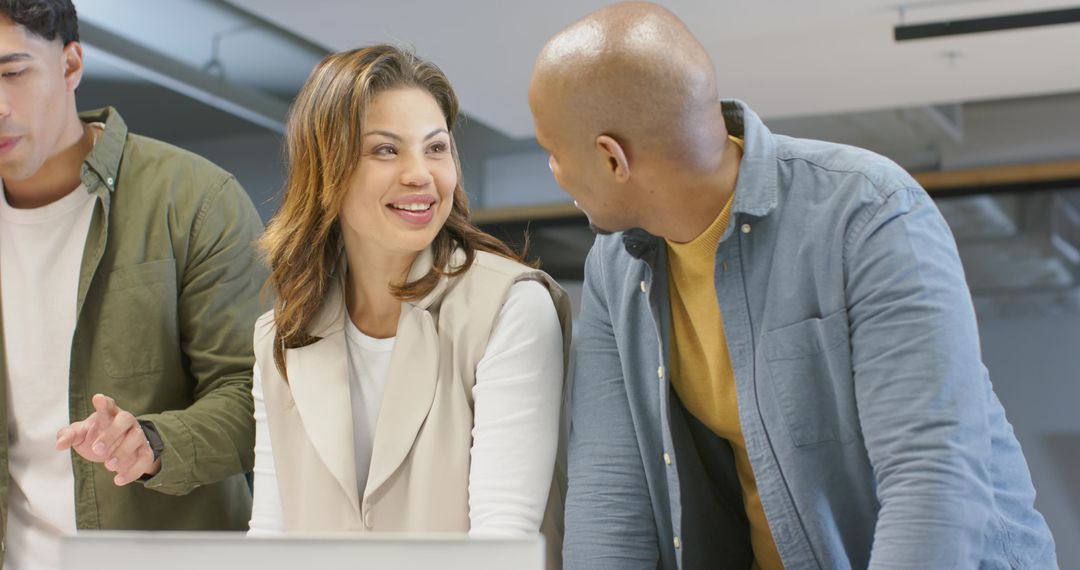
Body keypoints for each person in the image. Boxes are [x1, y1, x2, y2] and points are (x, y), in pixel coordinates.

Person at [528, 2, 1058, 569]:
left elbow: (933, 477)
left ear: (613, 159)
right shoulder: (615, 269)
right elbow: (610, 493)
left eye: (553, 153)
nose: (554, 172)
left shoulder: (867, 211)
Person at [249, 44, 570, 569]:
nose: (420, 174)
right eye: (385, 150)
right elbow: (270, 536)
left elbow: (503, 544)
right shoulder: (282, 335)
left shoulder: (509, 306)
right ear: (326, 167)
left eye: (436, 147)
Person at [0, 1, 266, 567]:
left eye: (12, 72)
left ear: (71, 65)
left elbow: (257, 396)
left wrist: (155, 443)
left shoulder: (194, 199)